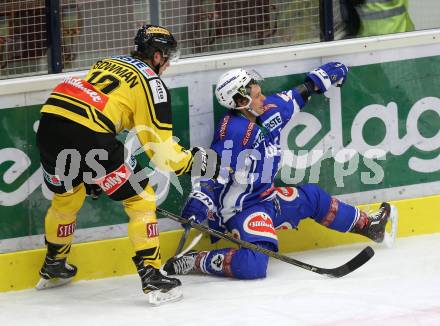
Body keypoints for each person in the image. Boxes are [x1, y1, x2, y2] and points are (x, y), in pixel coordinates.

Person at [164, 62, 398, 280]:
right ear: (240, 101)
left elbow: (295, 97)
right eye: (257, 96)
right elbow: (211, 168)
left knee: (313, 197)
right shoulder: (233, 132)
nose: (263, 98)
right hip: (242, 209)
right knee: (254, 265)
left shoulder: (267, 111)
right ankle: (196, 261)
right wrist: (200, 199)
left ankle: (369, 225)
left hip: (268, 198)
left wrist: (317, 81)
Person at [35, 24, 216, 305]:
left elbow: (101, 109)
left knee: (66, 197)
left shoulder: (110, 61)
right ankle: (153, 277)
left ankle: (54, 264)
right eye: (167, 55)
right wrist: (192, 161)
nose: (168, 62)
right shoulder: (152, 84)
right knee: (141, 198)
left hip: (49, 124)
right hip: (88, 133)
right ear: (156, 56)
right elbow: (161, 151)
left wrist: (92, 172)